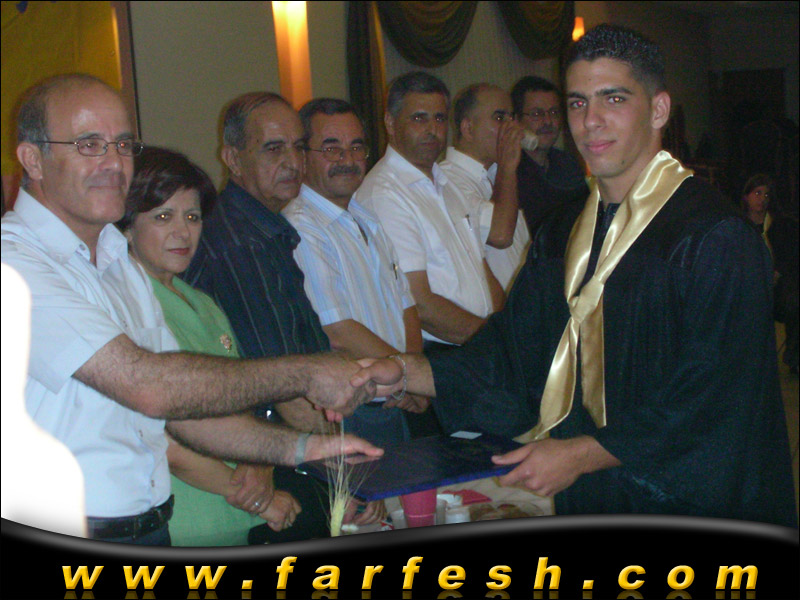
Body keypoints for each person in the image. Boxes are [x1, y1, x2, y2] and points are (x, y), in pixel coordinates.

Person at [355, 25, 797, 526]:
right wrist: (406, 372)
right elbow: (511, 351)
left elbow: (718, 394)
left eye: (614, 99)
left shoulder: (712, 237)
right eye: (578, 103)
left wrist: (582, 454)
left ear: (658, 110)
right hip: (592, 493)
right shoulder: (565, 230)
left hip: (689, 501)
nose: (591, 121)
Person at [1, 74, 382, 545]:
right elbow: (148, 386)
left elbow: (186, 413)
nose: (114, 163)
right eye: (89, 144)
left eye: (123, 145)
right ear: (32, 159)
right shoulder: (15, 262)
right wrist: (304, 375)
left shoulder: (118, 263)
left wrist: (301, 448)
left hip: (149, 529)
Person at [182, 92, 384, 541]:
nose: (293, 162)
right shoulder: (238, 242)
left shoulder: (266, 230)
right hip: (265, 468)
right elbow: (283, 384)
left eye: (298, 146)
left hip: (288, 453)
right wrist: (341, 474)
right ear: (232, 158)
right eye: (274, 149)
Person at [119, 146, 300, 545]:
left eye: (193, 217)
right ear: (128, 226)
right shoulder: (125, 305)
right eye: (163, 217)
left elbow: (243, 403)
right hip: (181, 525)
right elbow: (165, 440)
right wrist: (260, 500)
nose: (182, 232)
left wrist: (262, 462)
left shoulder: (203, 303)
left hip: (233, 519)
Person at [283, 98, 428, 447]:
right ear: (303, 156)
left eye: (357, 147)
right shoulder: (301, 226)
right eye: (331, 148)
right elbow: (338, 330)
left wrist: (411, 375)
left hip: (394, 399)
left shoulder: (366, 217)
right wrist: (410, 377)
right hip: (349, 410)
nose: (347, 160)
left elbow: (407, 307)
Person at [355, 71, 504, 348]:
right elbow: (418, 304)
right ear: (390, 123)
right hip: (440, 350)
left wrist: (507, 328)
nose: (432, 129)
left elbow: (481, 269)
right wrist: (494, 343)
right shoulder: (385, 194)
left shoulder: (446, 183)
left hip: (479, 344)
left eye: (439, 118)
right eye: (418, 118)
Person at [440, 83, 530, 291]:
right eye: (499, 118)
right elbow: (500, 235)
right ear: (468, 128)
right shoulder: (447, 180)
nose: (510, 128)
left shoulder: (496, 176)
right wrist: (507, 168)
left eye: (511, 118)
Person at [511, 75, 589, 237]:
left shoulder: (567, 164)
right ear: (516, 120)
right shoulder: (509, 172)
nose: (548, 121)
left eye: (553, 112)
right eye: (536, 114)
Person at [741, 173, 799, 373]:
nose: (762, 199)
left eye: (766, 195)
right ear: (747, 196)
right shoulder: (738, 226)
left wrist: (778, 272)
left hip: (776, 285)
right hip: (748, 286)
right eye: (757, 193)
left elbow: (790, 257)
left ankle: (794, 357)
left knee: (794, 300)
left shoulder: (781, 225)